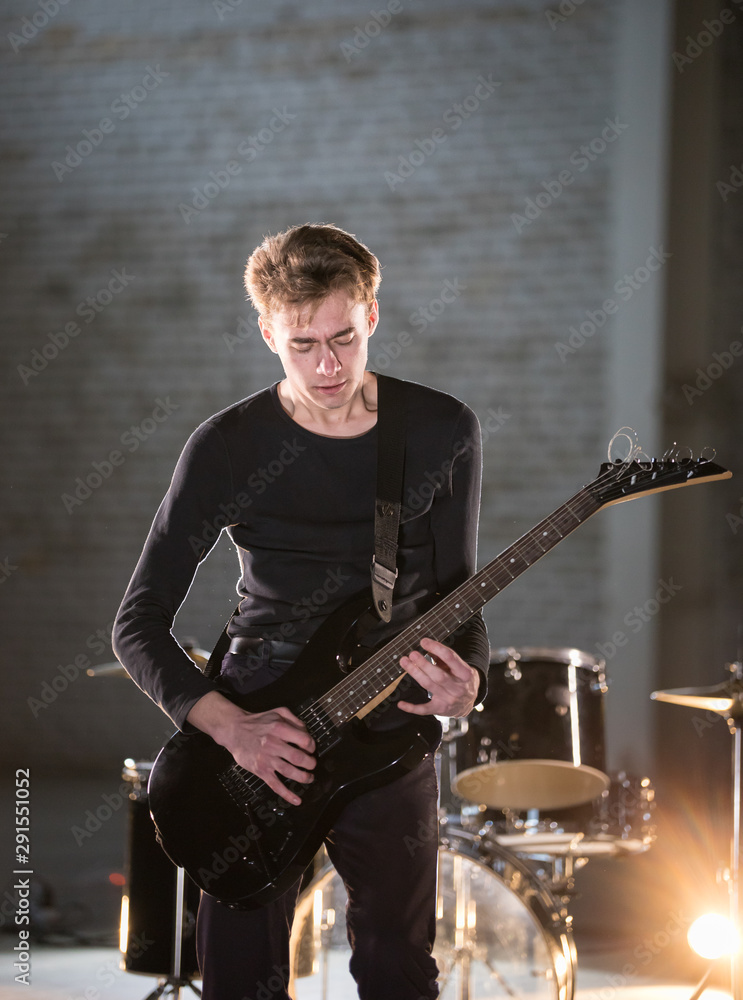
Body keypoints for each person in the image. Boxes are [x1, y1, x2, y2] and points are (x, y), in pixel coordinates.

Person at [112, 223, 489, 999]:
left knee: (397, 970)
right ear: (266, 334)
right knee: (240, 979)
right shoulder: (226, 445)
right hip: (257, 723)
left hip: (387, 722)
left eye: (344, 339)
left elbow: (459, 599)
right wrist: (230, 727)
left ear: (372, 317)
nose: (327, 365)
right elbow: (137, 622)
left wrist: (468, 683)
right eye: (302, 345)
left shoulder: (440, 429)